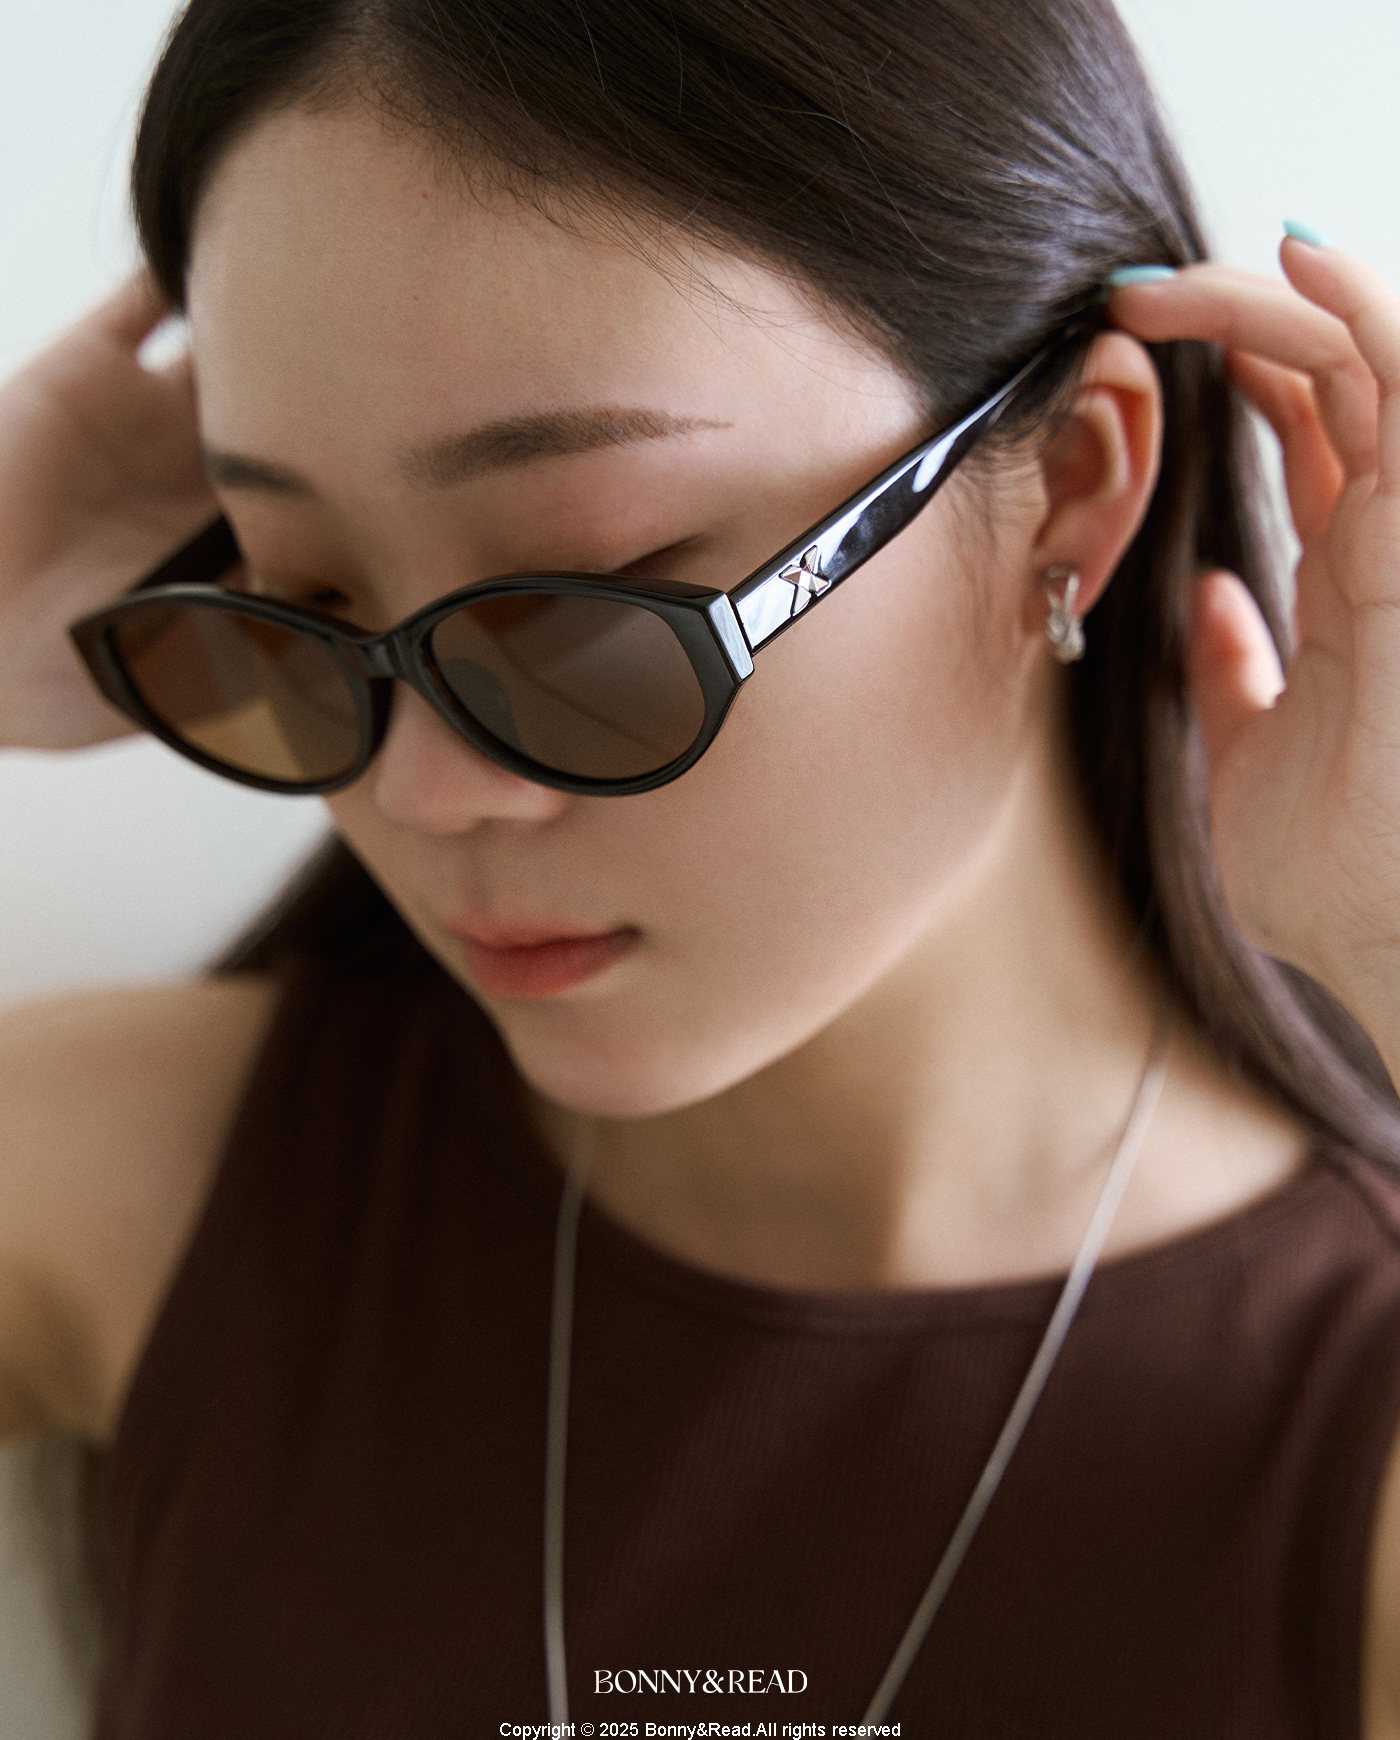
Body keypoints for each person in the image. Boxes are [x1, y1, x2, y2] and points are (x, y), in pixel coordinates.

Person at [3, 0, 1400, 1731]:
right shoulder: (164, 1187)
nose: (424, 790)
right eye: (304, 596)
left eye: (595, 602)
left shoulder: (1350, 1426)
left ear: (1073, 481)